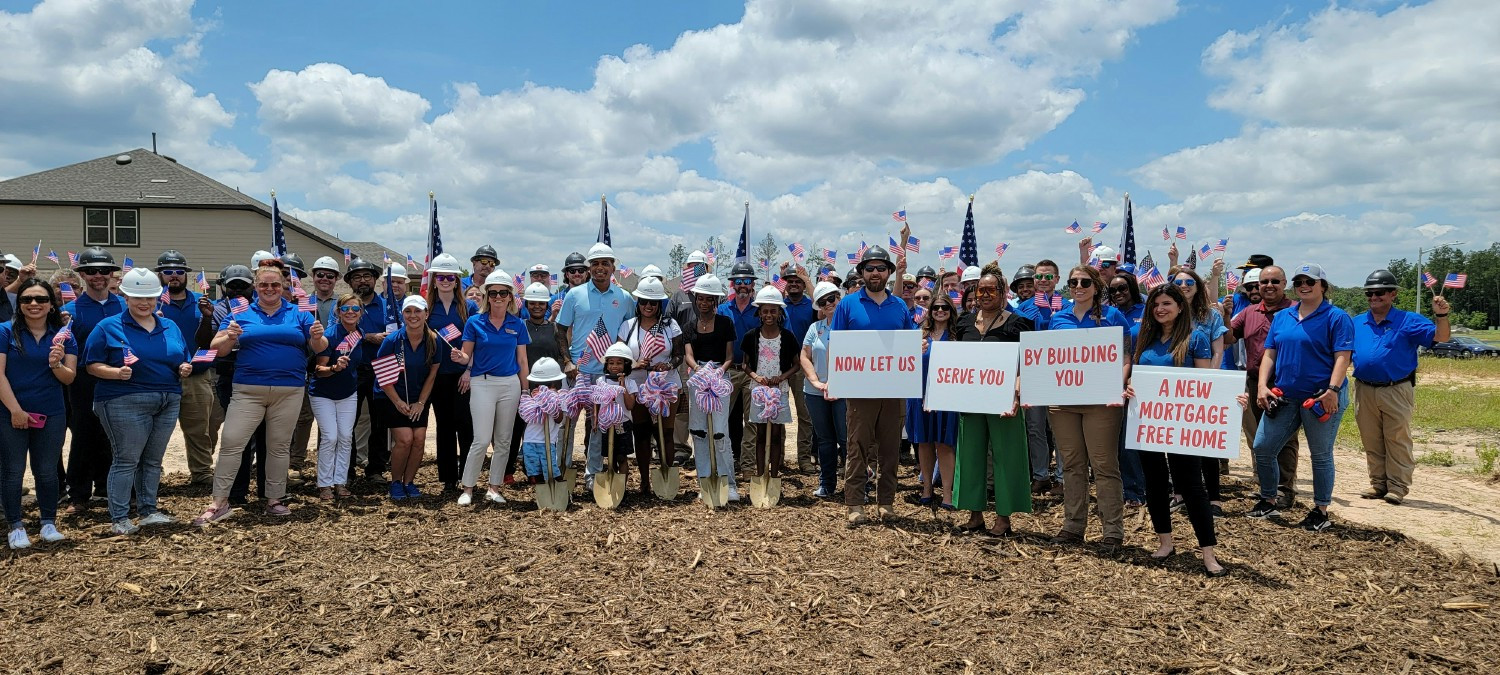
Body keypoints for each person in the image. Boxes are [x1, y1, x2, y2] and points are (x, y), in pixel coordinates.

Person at [194, 266, 326, 525]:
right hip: (248, 389)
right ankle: (219, 502)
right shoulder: (241, 312)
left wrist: (318, 337)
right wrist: (229, 338)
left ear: (283, 286)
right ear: (255, 286)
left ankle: (275, 499)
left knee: (278, 447)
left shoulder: (298, 312)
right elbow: (217, 349)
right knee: (232, 442)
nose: (269, 289)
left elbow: (319, 346)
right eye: (264, 285)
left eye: (275, 285)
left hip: (289, 390)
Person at [1123, 284, 1225, 576]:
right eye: (1155, 304)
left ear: (1181, 306)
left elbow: (1207, 382)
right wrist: (1129, 387)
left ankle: (1208, 553)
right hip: (1147, 420)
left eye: (1167, 303)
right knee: (1154, 483)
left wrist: (1232, 399)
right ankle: (1165, 542)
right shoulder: (1139, 336)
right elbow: (1134, 372)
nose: (1160, 309)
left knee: (1192, 486)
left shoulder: (1196, 338)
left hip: (1183, 424)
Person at [85, 269, 193, 534]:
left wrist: (184, 367)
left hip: (168, 398)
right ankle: (119, 518)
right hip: (123, 400)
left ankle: (148, 511)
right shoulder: (108, 326)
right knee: (126, 459)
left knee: (153, 460)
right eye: (136, 297)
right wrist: (115, 372)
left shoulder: (170, 325)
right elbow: (91, 365)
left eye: (150, 297)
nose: (144, 303)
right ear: (125, 296)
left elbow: (182, 355)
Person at [1247, 263, 1353, 532]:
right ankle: (1268, 499)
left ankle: (1320, 510)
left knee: (1320, 454)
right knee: (1263, 447)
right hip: (1286, 395)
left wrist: (1333, 391)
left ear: (1323, 287)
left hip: (1320, 397)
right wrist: (1262, 386)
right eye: (1299, 282)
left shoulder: (1336, 317)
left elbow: (1343, 357)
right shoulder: (1284, 316)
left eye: (1311, 282)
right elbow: (1270, 353)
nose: (1304, 286)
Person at [1046, 265, 1132, 547]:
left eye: (1084, 282)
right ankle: (1072, 527)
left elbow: (1125, 358)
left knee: (1105, 465)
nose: (1078, 287)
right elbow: (1048, 360)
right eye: (1073, 282)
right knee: (1071, 465)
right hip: (1063, 403)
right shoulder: (1057, 319)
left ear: (1096, 287)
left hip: (1101, 403)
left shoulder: (1112, 316)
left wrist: (1116, 388)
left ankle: (1112, 531)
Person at [1352, 270, 1449, 505]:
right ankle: (1378, 484)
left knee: (1396, 438)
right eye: (1370, 293)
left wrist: (1442, 315)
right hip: (1363, 388)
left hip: (1396, 388)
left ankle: (1397, 486)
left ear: (1393, 294)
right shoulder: (1356, 322)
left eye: (1380, 292)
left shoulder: (1409, 320)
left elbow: (1442, 337)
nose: (1374, 297)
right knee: (1371, 438)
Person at [829, 242, 910, 526]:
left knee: (889, 449)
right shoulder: (848, 304)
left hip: (893, 389)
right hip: (859, 390)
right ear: (862, 272)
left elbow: (909, 343)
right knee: (857, 446)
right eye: (869, 268)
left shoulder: (900, 306)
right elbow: (835, 345)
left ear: (889, 272)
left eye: (880, 268)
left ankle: (885, 502)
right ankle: (854, 502)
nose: (875, 273)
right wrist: (834, 382)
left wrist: (919, 346)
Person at [951, 264, 1034, 537]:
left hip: (1004, 401)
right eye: (980, 290)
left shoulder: (1018, 323)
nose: (984, 295)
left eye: (990, 290)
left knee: (1006, 456)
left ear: (1003, 292)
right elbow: (954, 363)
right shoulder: (964, 322)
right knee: (970, 455)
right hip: (971, 400)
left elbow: (1027, 364)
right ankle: (974, 515)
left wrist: (1017, 393)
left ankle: (1003, 518)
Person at [1, 280, 77, 548]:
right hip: (11, 413)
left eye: (41, 299)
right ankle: (16, 526)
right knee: (12, 471)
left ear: (51, 304)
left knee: (46, 471)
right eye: (27, 299)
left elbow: (69, 378)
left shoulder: (64, 335)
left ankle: (48, 523)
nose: (34, 304)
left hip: (51, 413)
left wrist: (55, 362)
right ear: (19, 304)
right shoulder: (5, 332)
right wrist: (15, 410)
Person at [557, 243, 634, 489]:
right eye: (596, 264)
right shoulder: (574, 295)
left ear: (613, 267)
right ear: (589, 268)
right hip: (578, 372)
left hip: (606, 376)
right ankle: (562, 469)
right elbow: (560, 329)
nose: (600, 268)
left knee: (598, 427)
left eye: (605, 263)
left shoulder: (624, 298)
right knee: (567, 424)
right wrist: (567, 361)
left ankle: (592, 475)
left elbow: (628, 332)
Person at [1227, 265, 1301, 508]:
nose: (1269, 286)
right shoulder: (1249, 312)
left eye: (1275, 281)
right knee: (1259, 437)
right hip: (1254, 381)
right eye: (1264, 282)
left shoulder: (1296, 311)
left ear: (1284, 284)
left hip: (1285, 383)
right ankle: (1263, 485)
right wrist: (1225, 316)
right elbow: (1229, 338)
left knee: (1285, 439)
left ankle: (1285, 489)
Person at [59, 246, 124, 513]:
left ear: (112, 274)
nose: (98, 275)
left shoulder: (125, 305)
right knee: (84, 434)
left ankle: (111, 490)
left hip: (120, 378)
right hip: (84, 380)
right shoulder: (69, 310)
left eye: (104, 270)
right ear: (82, 275)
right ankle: (79, 494)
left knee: (117, 435)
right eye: (91, 271)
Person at [458, 270, 530, 506]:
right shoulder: (474, 322)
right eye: (493, 292)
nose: (498, 297)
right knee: (480, 439)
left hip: (510, 385)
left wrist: (526, 389)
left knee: (504, 440)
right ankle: (468, 489)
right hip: (483, 383)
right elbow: (465, 355)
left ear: (510, 296)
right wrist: (459, 357)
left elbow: (522, 361)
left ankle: (494, 488)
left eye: (503, 292)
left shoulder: (517, 324)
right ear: (487, 295)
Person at [155, 250, 221, 486]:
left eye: (179, 272)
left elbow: (210, 341)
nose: (174, 276)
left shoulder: (202, 302)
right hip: (160, 376)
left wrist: (206, 317)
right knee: (155, 430)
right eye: (168, 272)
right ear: (160, 275)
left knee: (198, 428)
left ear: (186, 275)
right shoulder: (151, 303)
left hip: (197, 374)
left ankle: (202, 471)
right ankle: (153, 472)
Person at [375, 296, 449, 500]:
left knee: (419, 440)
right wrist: (398, 402)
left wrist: (421, 403)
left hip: (419, 397)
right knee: (405, 439)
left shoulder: (434, 340)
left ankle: (409, 481)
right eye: (408, 311)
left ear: (426, 314)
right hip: (391, 396)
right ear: (403, 314)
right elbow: (383, 377)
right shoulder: (392, 341)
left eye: (418, 311)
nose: (413, 316)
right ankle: (396, 482)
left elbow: (432, 374)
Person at [618, 276, 683, 496]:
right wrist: (635, 364)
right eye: (644, 301)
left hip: (666, 385)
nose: (648, 306)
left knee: (665, 432)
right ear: (638, 302)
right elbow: (619, 358)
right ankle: (645, 480)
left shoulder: (670, 325)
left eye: (653, 302)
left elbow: (678, 355)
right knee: (642, 432)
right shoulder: (627, 327)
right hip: (637, 385)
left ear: (659, 304)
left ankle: (666, 473)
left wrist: (668, 364)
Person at [683, 275, 741, 501]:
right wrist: (699, 370)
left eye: (709, 299)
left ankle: (729, 483)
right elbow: (688, 355)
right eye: (700, 299)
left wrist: (717, 372)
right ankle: (705, 482)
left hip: (719, 379)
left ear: (715, 301)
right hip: (698, 379)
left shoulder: (725, 323)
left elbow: (729, 356)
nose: (704, 303)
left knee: (719, 432)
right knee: (699, 432)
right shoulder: (689, 326)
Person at [1015, 261, 1069, 496]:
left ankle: (1062, 478)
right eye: (1039, 277)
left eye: (1049, 277)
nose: (1043, 281)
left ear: (1057, 279)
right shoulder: (1022, 308)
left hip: (1060, 376)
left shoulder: (1068, 307)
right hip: (1033, 375)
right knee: (1035, 428)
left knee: (1060, 429)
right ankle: (1040, 475)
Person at [425, 253, 476, 493]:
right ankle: (448, 478)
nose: (445, 281)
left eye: (450, 277)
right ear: (434, 280)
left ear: (457, 280)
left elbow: (477, 341)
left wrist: (468, 370)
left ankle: (468, 475)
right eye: (441, 277)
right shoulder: (426, 308)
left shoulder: (470, 306)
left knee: (466, 425)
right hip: (437, 374)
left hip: (463, 375)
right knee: (444, 426)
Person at [310, 292, 365, 500]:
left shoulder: (359, 333)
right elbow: (318, 369)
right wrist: (334, 367)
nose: (350, 312)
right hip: (323, 393)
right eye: (345, 309)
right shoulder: (331, 335)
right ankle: (324, 484)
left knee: (345, 437)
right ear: (338, 312)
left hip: (348, 393)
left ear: (361, 313)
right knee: (330, 437)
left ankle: (340, 483)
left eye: (355, 309)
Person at [740, 286, 798, 484]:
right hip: (758, 391)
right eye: (765, 311)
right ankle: (759, 474)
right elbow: (745, 364)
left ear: (780, 312)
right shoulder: (751, 336)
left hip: (778, 390)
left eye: (773, 310)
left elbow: (796, 365)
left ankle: (773, 475)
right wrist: (756, 377)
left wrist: (781, 378)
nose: (769, 315)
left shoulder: (788, 337)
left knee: (775, 433)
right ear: (759, 313)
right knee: (760, 432)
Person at [908, 290, 959, 507]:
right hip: (919, 395)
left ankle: (947, 493)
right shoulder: (918, 333)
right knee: (924, 443)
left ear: (951, 311)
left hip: (947, 397)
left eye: (944, 307)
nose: (939, 311)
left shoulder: (959, 336)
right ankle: (926, 488)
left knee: (944, 444)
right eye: (936, 307)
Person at [800, 281, 846, 499]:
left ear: (840, 298)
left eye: (833, 298)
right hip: (816, 392)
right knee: (825, 440)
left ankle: (859, 485)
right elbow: (804, 356)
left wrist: (837, 383)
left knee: (848, 440)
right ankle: (827, 484)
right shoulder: (814, 329)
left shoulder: (850, 327)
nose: (829, 303)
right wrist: (815, 381)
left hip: (845, 392)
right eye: (823, 301)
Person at [718, 261, 761, 470]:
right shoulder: (722, 309)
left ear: (752, 284)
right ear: (732, 284)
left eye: (746, 281)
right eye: (738, 281)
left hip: (753, 371)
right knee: (722, 418)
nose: (742, 285)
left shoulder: (760, 309)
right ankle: (724, 460)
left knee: (751, 420)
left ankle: (748, 464)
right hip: (729, 370)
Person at [777, 263, 817, 472]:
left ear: (802, 285)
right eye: (790, 282)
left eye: (797, 282)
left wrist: (808, 280)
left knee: (805, 414)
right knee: (778, 412)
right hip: (781, 366)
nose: (793, 285)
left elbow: (821, 306)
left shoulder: (811, 306)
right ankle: (778, 458)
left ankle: (803, 458)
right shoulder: (779, 306)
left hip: (803, 366)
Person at [519, 357, 568, 485]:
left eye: (546, 385)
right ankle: (541, 494)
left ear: (554, 384)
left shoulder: (558, 398)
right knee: (534, 472)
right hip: (530, 440)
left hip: (547, 442)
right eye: (537, 385)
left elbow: (559, 419)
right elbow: (526, 415)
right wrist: (535, 400)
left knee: (550, 468)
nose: (541, 388)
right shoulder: (532, 398)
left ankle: (558, 491)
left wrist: (548, 402)